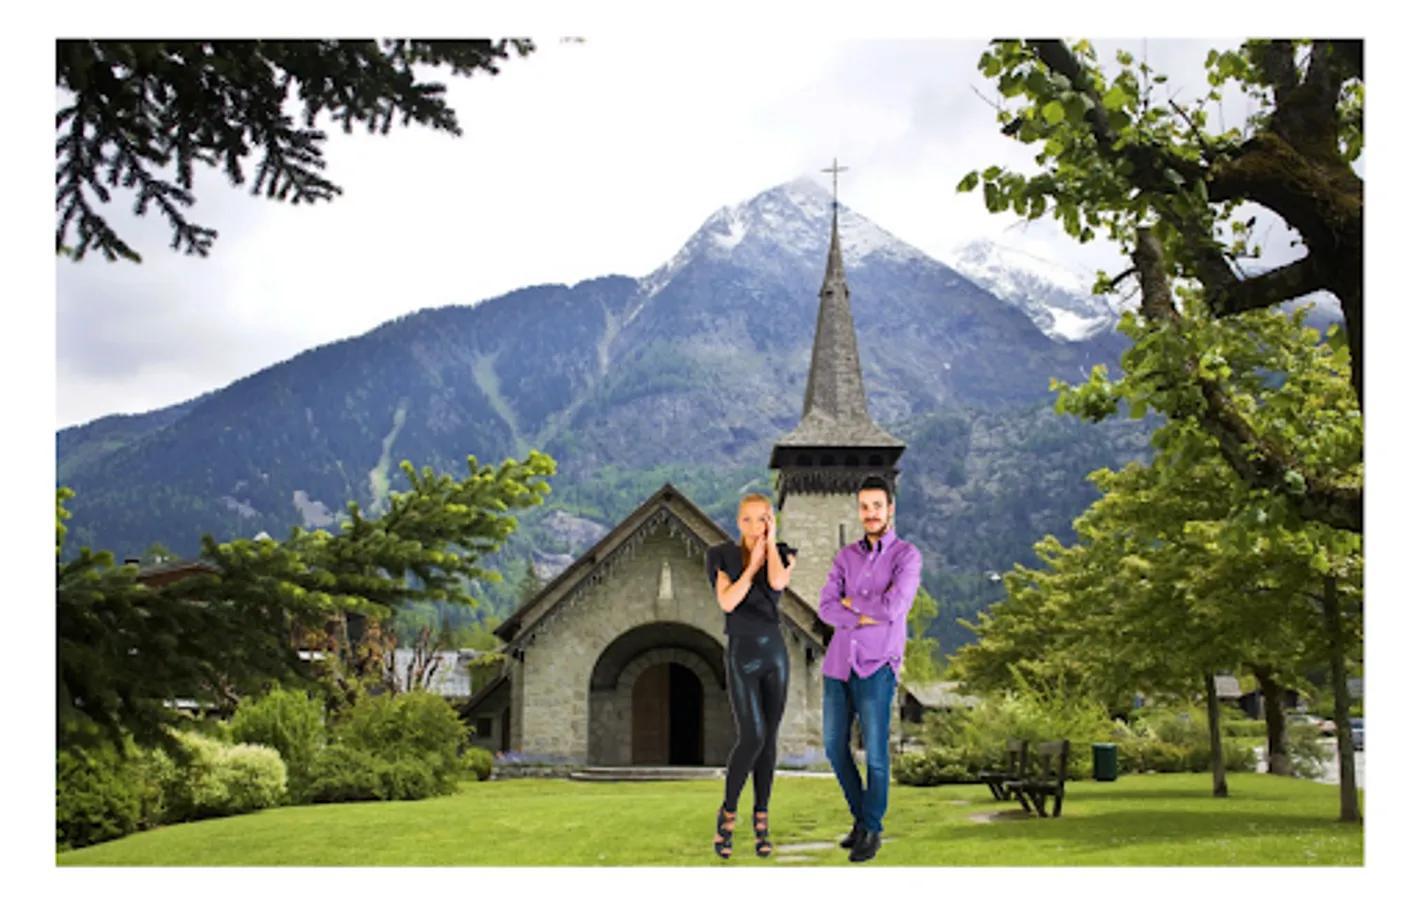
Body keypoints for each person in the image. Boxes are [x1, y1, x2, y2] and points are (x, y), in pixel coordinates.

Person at [816, 475, 922, 863]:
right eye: (864, 507)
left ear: (890, 508)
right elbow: (825, 607)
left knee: (876, 753)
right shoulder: (845, 557)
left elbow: (895, 608)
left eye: (877, 506)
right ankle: (861, 819)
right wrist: (864, 611)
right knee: (834, 748)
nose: (870, 513)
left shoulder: (907, 557)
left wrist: (852, 606)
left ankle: (872, 829)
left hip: (878, 664)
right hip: (838, 665)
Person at [704, 493, 797, 860]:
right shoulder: (720, 556)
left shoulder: (784, 553)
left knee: (769, 739)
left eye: (762, 519)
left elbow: (776, 583)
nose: (755, 526)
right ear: (738, 521)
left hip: (775, 653)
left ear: (771, 521)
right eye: (748, 519)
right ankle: (727, 812)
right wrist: (750, 565)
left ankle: (762, 818)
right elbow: (727, 601)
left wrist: (769, 547)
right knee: (752, 735)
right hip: (742, 654)